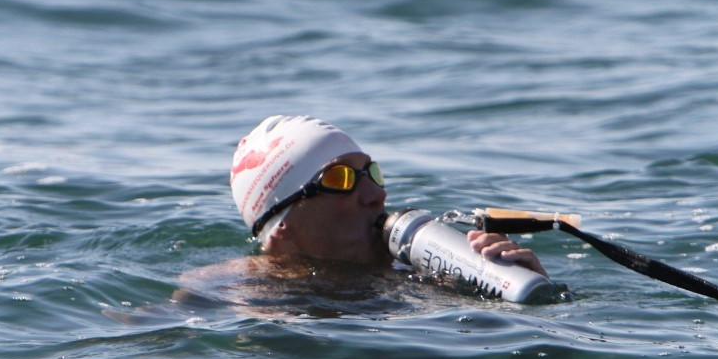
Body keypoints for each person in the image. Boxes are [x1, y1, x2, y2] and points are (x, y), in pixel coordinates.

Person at [229, 115, 548, 277]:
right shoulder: (235, 299)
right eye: (340, 179)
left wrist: (531, 297)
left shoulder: (422, 281)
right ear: (282, 227)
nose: (377, 194)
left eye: (373, 173)